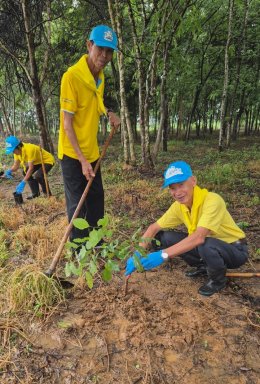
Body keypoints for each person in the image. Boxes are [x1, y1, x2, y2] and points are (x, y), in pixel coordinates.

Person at [126, 161, 249, 296]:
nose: (178, 192)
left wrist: (162, 255)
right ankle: (204, 266)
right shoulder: (179, 206)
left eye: (181, 185)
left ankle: (218, 280)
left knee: (204, 243)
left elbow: (199, 237)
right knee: (164, 237)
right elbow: (153, 228)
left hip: (234, 250)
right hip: (206, 245)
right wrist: (137, 254)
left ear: (193, 181)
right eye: (173, 188)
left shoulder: (212, 200)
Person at [58, 24, 121, 242]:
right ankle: (78, 249)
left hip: (92, 151)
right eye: (100, 49)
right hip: (72, 154)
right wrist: (82, 160)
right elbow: (67, 125)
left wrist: (109, 112)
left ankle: (97, 243)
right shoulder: (72, 77)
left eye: (109, 51)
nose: (104, 56)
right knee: (77, 204)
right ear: (89, 45)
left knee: (96, 200)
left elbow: (97, 101)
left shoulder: (100, 76)